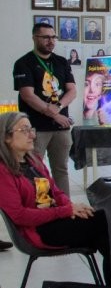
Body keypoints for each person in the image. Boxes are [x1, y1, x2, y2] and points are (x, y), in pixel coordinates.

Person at [0, 112, 111, 288]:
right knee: (108, 226)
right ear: (6, 137)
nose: (31, 135)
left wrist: (73, 206)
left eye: (32, 129)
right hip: (38, 231)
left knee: (108, 223)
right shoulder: (3, 171)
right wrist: (65, 211)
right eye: (24, 130)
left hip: (55, 219)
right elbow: (20, 216)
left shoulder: (34, 160)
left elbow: (55, 192)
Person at [12, 23, 76, 196]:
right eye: (46, 37)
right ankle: (42, 207)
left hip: (61, 127)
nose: (51, 41)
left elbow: (72, 90)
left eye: (53, 37)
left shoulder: (61, 62)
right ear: (35, 38)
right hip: (35, 129)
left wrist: (60, 108)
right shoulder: (24, 63)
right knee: (35, 170)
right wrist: (54, 113)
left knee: (61, 169)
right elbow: (28, 95)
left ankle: (66, 208)